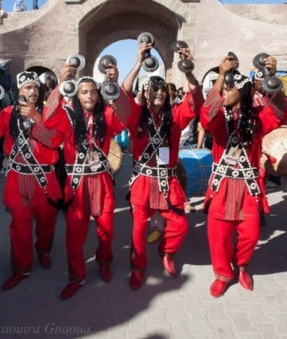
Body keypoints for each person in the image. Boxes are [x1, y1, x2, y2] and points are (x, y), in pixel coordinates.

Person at [200, 54, 287, 298]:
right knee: (218, 236)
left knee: (250, 234)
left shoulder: (258, 118)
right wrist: (219, 78)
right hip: (222, 184)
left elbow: (281, 114)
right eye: (224, 89)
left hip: (249, 186)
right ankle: (222, 274)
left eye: (229, 89)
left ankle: (241, 267)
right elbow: (206, 116)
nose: (225, 93)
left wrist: (272, 78)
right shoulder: (219, 117)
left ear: (242, 90)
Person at [117, 42, 204, 290]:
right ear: (145, 92)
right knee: (137, 230)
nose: (159, 93)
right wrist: (137, 63)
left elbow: (196, 102)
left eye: (162, 89)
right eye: (153, 89)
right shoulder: (136, 116)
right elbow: (123, 95)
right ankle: (138, 267)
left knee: (180, 225)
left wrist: (187, 70)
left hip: (168, 180)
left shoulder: (174, 116)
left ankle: (166, 252)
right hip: (143, 180)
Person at [43, 62, 125, 300]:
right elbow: (48, 118)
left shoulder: (106, 115)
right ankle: (76, 276)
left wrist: (115, 83)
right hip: (76, 183)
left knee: (107, 230)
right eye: (84, 91)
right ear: (77, 96)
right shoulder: (68, 116)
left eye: (93, 91)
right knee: (74, 235)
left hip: (102, 181)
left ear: (98, 94)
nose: (89, 95)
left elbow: (126, 115)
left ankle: (104, 260)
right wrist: (60, 85)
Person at [0, 71, 63, 290]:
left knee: (46, 223)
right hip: (18, 178)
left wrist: (36, 118)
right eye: (27, 88)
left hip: (45, 179)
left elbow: (54, 142)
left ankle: (43, 250)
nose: (32, 91)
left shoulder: (49, 113)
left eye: (35, 87)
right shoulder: (7, 113)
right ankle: (21, 267)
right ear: (19, 91)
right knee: (20, 228)